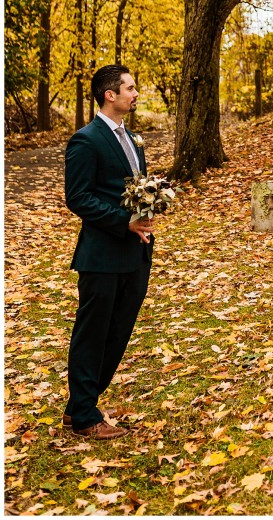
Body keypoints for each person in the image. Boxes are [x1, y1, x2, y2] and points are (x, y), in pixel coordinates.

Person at [63, 65, 155, 439]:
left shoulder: (132, 139)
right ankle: (85, 418)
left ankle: (78, 406)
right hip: (102, 255)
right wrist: (124, 222)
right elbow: (78, 197)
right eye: (130, 88)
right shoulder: (86, 140)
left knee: (118, 332)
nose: (135, 94)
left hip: (136, 252)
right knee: (94, 333)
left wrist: (150, 207)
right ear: (109, 95)